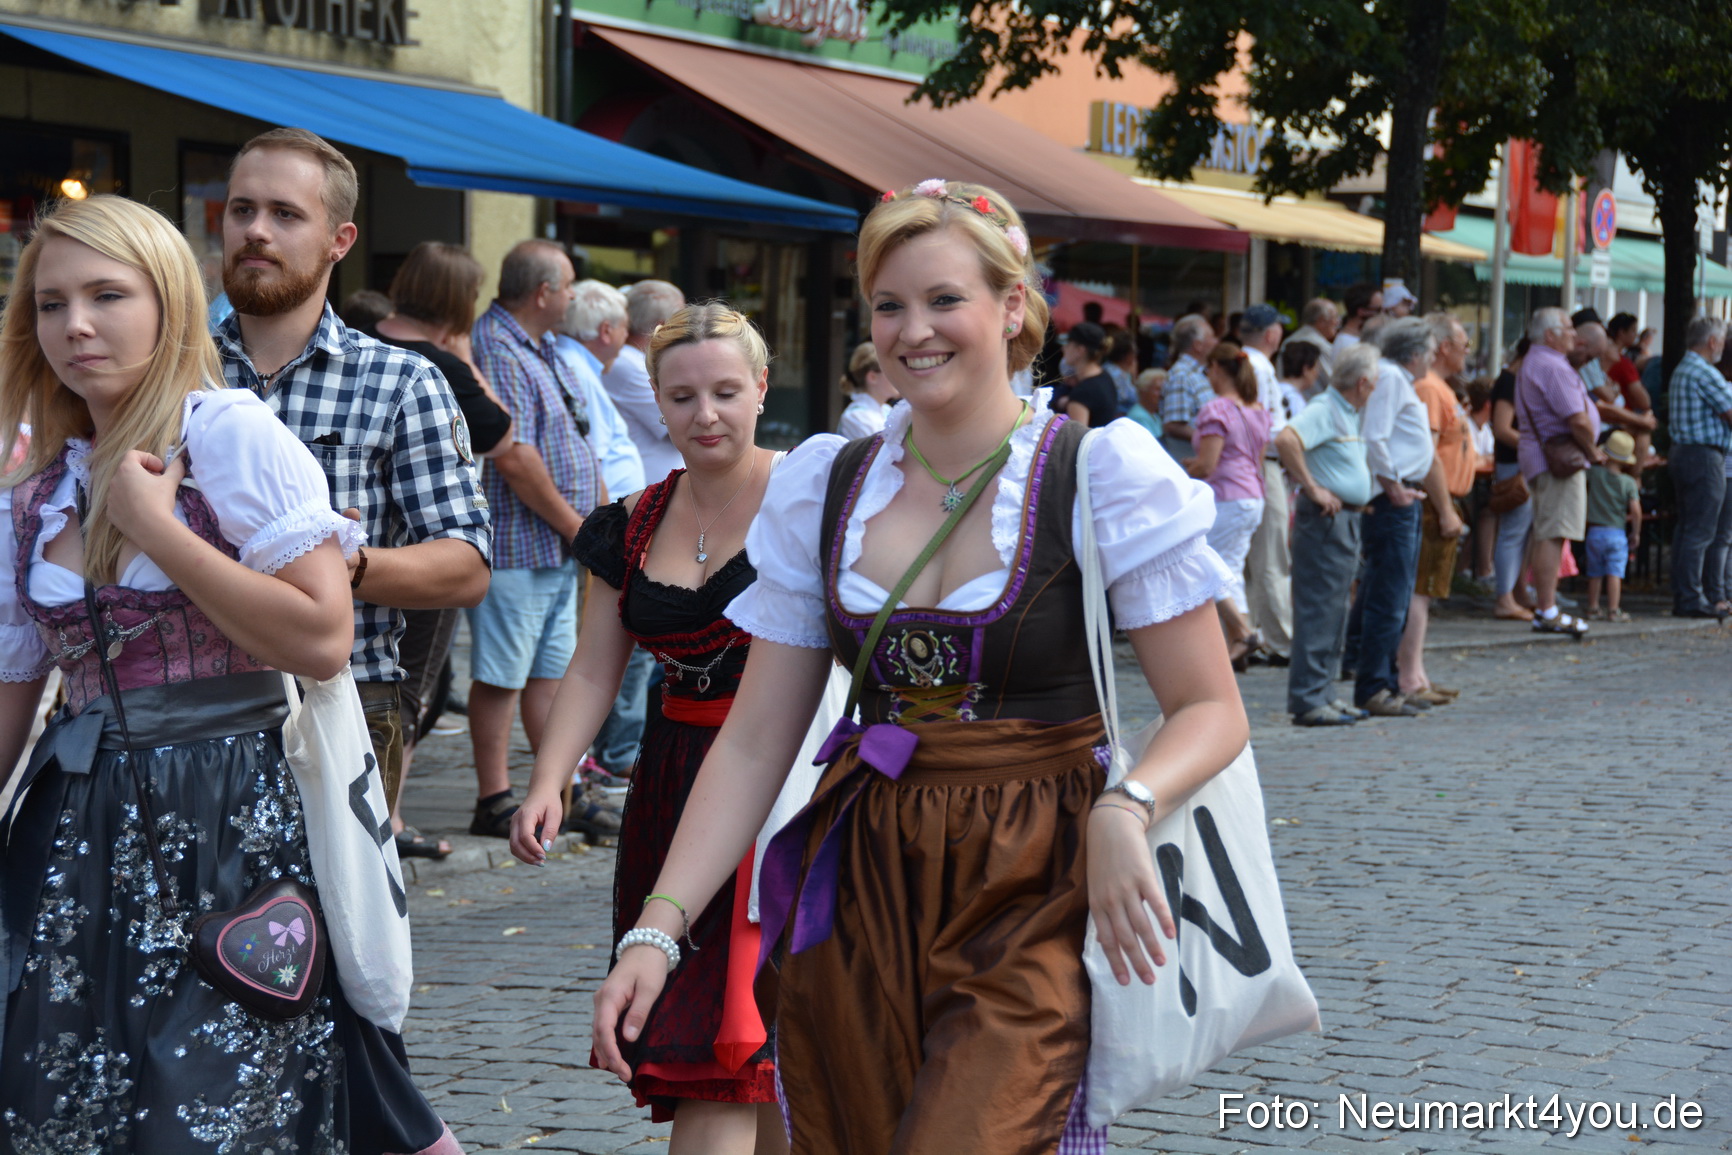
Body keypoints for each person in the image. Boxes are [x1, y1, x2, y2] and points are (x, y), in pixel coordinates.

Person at [591, 178, 1246, 1153]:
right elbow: (757, 737)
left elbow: (1209, 706)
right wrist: (659, 925)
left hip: (1035, 874)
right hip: (864, 874)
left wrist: (1127, 803)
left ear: (1011, 307)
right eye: (889, 305)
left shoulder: (1096, 473)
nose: (914, 331)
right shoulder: (829, 484)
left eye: (944, 300)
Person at [0, 194, 461, 1154]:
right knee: (72, 1101)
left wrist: (160, 528)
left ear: (169, 302)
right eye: (49, 303)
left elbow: (323, 635)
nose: (75, 325)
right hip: (75, 826)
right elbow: (13, 692)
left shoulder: (228, 435)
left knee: (212, 1106)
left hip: (224, 817)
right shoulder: (38, 486)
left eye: (106, 295)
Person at [509, 304, 785, 1153]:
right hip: (670, 788)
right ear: (653, 404)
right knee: (729, 1049)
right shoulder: (629, 521)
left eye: (726, 392)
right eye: (682, 396)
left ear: (761, 389)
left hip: (781, 787)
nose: (706, 414)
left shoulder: (806, 499)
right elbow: (595, 665)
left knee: (762, 1041)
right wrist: (550, 775)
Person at [215, 127, 492, 817]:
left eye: (285, 214)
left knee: (332, 924)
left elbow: (467, 567)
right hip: (189, 698)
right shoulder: (175, 372)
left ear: (339, 240)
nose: (256, 230)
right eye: (241, 209)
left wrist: (346, 561)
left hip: (341, 696)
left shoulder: (400, 382)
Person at [367, 240, 517, 859]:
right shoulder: (437, 364)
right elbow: (501, 433)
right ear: (456, 301)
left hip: (363, 543)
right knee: (409, 680)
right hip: (424, 551)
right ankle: (391, 818)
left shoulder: (361, 333)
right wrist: (462, 357)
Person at [468, 241, 607, 837]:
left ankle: (561, 791)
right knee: (501, 676)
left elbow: (572, 435)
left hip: (554, 547)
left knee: (551, 673)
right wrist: (577, 526)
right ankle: (493, 798)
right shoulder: (497, 346)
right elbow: (515, 457)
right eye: (569, 284)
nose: (574, 295)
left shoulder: (542, 346)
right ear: (543, 292)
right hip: (522, 545)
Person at [556, 281, 651, 802]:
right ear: (609, 330)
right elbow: (588, 450)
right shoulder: (580, 367)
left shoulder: (586, 367)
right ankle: (607, 759)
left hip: (612, 522)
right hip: (608, 528)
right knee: (608, 646)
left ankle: (602, 758)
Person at [1275, 342, 1379, 726]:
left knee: (1334, 609)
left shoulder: (1344, 410)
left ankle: (1322, 692)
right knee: (1320, 608)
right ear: (1363, 382)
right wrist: (1313, 487)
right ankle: (1308, 698)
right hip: (1325, 519)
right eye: (1375, 382)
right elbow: (1286, 439)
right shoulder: (1325, 408)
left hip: (1341, 519)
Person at [1346, 316, 1441, 717]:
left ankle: (1373, 676)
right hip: (1392, 498)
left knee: (1387, 591)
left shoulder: (1394, 378)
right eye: (1431, 354)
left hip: (1397, 494)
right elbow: (1375, 436)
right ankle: (1374, 684)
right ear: (1416, 354)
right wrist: (1393, 486)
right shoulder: (1391, 378)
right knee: (1390, 594)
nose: (1432, 361)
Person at [1396, 313, 1474, 706]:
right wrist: (1445, 509)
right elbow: (1425, 454)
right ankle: (1409, 676)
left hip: (1444, 499)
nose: (1467, 353)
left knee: (1425, 591)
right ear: (1443, 347)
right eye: (1463, 345)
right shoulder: (1428, 388)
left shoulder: (1439, 386)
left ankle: (1416, 672)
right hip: (1433, 502)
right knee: (1420, 591)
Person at [1515, 307, 1605, 635]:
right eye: (1568, 328)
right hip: (1559, 462)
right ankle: (1547, 609)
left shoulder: (1537, 362)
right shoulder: (1551, 366)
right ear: (1550, 334)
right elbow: (1576, 418)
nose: (1574, 335)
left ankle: (1543, 605)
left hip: (1545, 458)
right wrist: (1592, 450)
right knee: (1553, 532)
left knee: (1549, 530)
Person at [1188, 341, 1273, 669]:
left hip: (1227, 495)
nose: (1208, 375)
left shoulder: (1217, 409)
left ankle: (1241, 632)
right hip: (1253, 495)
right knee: (1231, 569)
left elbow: (1207, 465)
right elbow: (1257, 459)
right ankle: (1236, 648)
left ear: (1220, 370)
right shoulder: (1258, 410)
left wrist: (1182, 469)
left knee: (1206, 564)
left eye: (1209, 369)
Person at [1665, 315, 1732, 618]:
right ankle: (1692, 597)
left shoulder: (1685, 368)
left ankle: (1685, 594)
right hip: (1703, 456)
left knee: (1688, 527)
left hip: (1686, 453)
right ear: (1712, 341)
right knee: (1701, 529)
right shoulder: (1704, 372)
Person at [1238, 304, 1293, 666]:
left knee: (1254, 557)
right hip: (1263, 464)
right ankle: (1282, 639)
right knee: (1272, 556)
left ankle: (1255, 632)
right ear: (1271, 334)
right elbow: (1267, 427)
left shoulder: (1244, 362)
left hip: (1250, 466)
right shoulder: (1259, 366)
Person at [605, 280, 688, 483]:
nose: (688, 329)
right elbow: (682, 426)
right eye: (682, 321)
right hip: (647, 491)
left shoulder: (632, 360)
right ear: (662, 325)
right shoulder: (628, 364)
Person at [1489, 337, 1535, 619]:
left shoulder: (1514, 379)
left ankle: (1517, 590)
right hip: (1513, 465)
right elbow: (1502, 429)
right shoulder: (1508, 381)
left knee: (1522, 530)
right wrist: (1535, 446)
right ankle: (1505, 597)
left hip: (1519, 463)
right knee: (1513, 530)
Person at [1584, 431, 1642, 622]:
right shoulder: (1628, 483)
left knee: (1594, 572)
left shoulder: (1595, 474)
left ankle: (1593, 608)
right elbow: (1635, 510)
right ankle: (1613, 610)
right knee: (1614, 572)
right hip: (1616, 533)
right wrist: (1636, 532)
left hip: (1594, 532)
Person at [1159, 312, 1217, 460]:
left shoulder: (1199, 373)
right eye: (1212, 336)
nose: (1216, 341)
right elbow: (1172, 425)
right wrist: (1211, 440)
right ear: (1198, 345)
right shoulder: (1182, 375)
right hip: (1190, 464)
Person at [1057, 321, 1119, 429]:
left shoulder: (1082, 393)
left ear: (1080, 350)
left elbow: (1076, 440)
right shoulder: (1105, 377)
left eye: (1068, 344)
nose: (1063, 348)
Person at [836, 340, 897, 439]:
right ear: (872, 377)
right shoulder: (856, 416)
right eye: (889, 370)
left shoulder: (886, 410)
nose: (896, 376)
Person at [1284, 297, 1338, 392]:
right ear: (1321, 321)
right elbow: (1334, 382)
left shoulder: (1287, 342)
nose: (1337, 322)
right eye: (1334, 317)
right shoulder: (1320, 345)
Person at [1334, 283, 1382, 351]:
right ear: (1361, 311)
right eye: (1378, 310)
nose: (1382, 314)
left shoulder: (1357, 339)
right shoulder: (1348, 344)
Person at [1278, 340, 1319, 420]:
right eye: (1316, 368)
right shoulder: (1294, 400)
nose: (1317, 373)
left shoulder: (1275, 388)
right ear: (1306, 370)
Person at [1127, 367, 1165, 438]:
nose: (1162, 394)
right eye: (1158, 389)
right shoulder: (1139, 416)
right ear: (1144, 390)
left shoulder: (1154, 415)